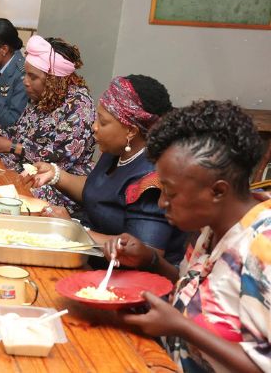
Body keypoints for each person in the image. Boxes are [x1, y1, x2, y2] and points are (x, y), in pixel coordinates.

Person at [103, 100, 270, 372]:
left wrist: (182, 328)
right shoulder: (211, 227)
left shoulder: (262, 249)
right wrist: (149, 260)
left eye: (170, 192)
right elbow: (197, 294)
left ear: (218, 191)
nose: (161, 203)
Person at [24, 75, 185, 264]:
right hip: (89, 255)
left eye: (103, 122)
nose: (94, 127)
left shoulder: (152, 178)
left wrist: (73, 230)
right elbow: (99, 192)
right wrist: (56, 175)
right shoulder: (117, 150)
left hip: (123, 279)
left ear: (131, 131)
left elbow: (143, 251)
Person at [0, 35, 95, 212]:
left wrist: (12, 147)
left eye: (32, 77)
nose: (25, 81)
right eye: (25, 74)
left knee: (5, 195)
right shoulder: (43, 95)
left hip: (56, 186)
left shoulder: (79, 106)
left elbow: (56, 160)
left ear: (54, 79)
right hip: (22, 167)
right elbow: (21, 131)